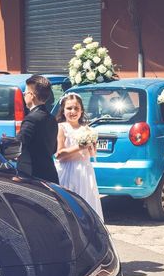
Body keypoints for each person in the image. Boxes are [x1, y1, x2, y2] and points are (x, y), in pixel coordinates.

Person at [55, 93, 104, 221]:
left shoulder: (86, 129)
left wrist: (92, 146)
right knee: (70, 206)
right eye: (69, 108)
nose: (73, 111)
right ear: (63, 110)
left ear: (81, 110)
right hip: (68, 170)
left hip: (85, 171)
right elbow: (59, 154)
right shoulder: (62, 127)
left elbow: (92, 154)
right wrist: (80, 146)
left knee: (87, 203)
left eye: (76, 108)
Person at [17, 75, 58, 183]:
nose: (24, 96)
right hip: (50, 174)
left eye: (24, 93)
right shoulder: (52, 118)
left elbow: (18, 146)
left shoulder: (31, 119)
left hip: (32, 177)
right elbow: (54, 148)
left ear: (31, 95)